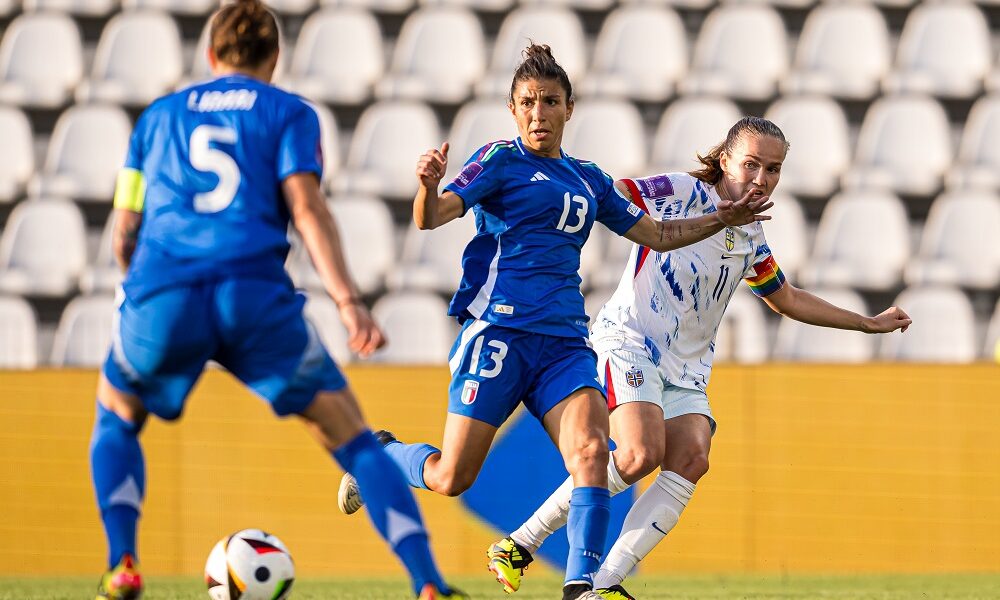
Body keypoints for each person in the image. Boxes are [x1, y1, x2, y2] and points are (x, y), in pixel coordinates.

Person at [336, 45, 772, 600]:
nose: (538, 113)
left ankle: (581, 587)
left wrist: (720, 218)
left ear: (570, 109)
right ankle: (377, 454)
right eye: (527, 103)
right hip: (500, 334)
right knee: (451, 478)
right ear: (513, 110)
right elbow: (431, 218)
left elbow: (658, 236)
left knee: (593, 454)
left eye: (549, 102)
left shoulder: (588, 178)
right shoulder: (499, 160)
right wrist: (426, 186)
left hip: (565, 343)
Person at [90, 2, 462, 598]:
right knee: (354, 441)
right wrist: (348, 302)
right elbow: (307, 209)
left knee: (116, 416)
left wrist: (139, 294)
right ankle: (427, 584)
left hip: (165, 294)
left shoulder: (155, 119)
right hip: (253, 298)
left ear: (211, 55)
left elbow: (124, 231)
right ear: (276, 57)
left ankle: (123, 562)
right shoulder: (289, 114)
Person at [487, 116, 914, 599]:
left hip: (686, 367)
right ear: (725, 158)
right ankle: (523, 543)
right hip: (629, 340)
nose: (760, 179)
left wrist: (866, 322)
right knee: (639, 453)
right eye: (751, 164)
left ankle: (604, 584)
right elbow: (607, 193)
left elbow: (786, 299)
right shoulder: (677, 190)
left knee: (692, 455)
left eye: (773, 170)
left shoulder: (752, 236)